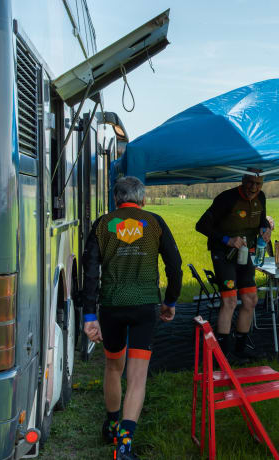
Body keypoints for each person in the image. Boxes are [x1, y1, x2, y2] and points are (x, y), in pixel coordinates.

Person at [81, 176, 182, 460]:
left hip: (111, 306)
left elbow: (90, 272)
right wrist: (170, 301)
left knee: (113, 367)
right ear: (143, 201)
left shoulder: (103, 224)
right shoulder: (155, 222)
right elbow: (175, 267)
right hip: (145, 305)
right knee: (137, 378)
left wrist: (90, 314)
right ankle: (123, 447)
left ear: (116, 200)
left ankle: (112, 423)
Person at [196, 173, 272, 361]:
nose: (254, 188)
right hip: (223, 254)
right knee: (229, 301)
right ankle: (223, 354)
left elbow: (261, 220)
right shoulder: (226, 198)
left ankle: (240, 349)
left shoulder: (261, 198)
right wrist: (227, 240)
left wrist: (266, 229)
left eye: (258, 184)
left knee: (251, 299)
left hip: (245, 252)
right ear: (242, 181)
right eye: (250, 183)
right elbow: (201, 225)